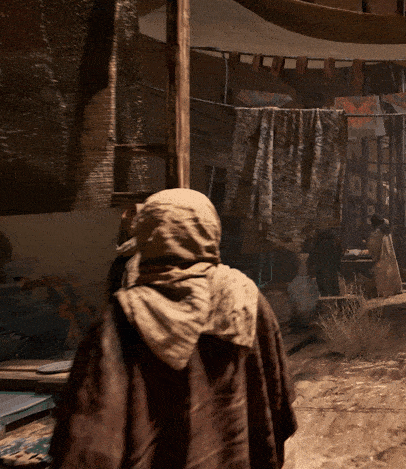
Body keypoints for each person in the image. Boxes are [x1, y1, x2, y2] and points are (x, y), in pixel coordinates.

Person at [50, 189, 297, 469]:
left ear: (148, 235)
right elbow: (278, 405)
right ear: (209, 231)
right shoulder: (246, 299)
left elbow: (88, 438)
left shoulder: (121, 317)